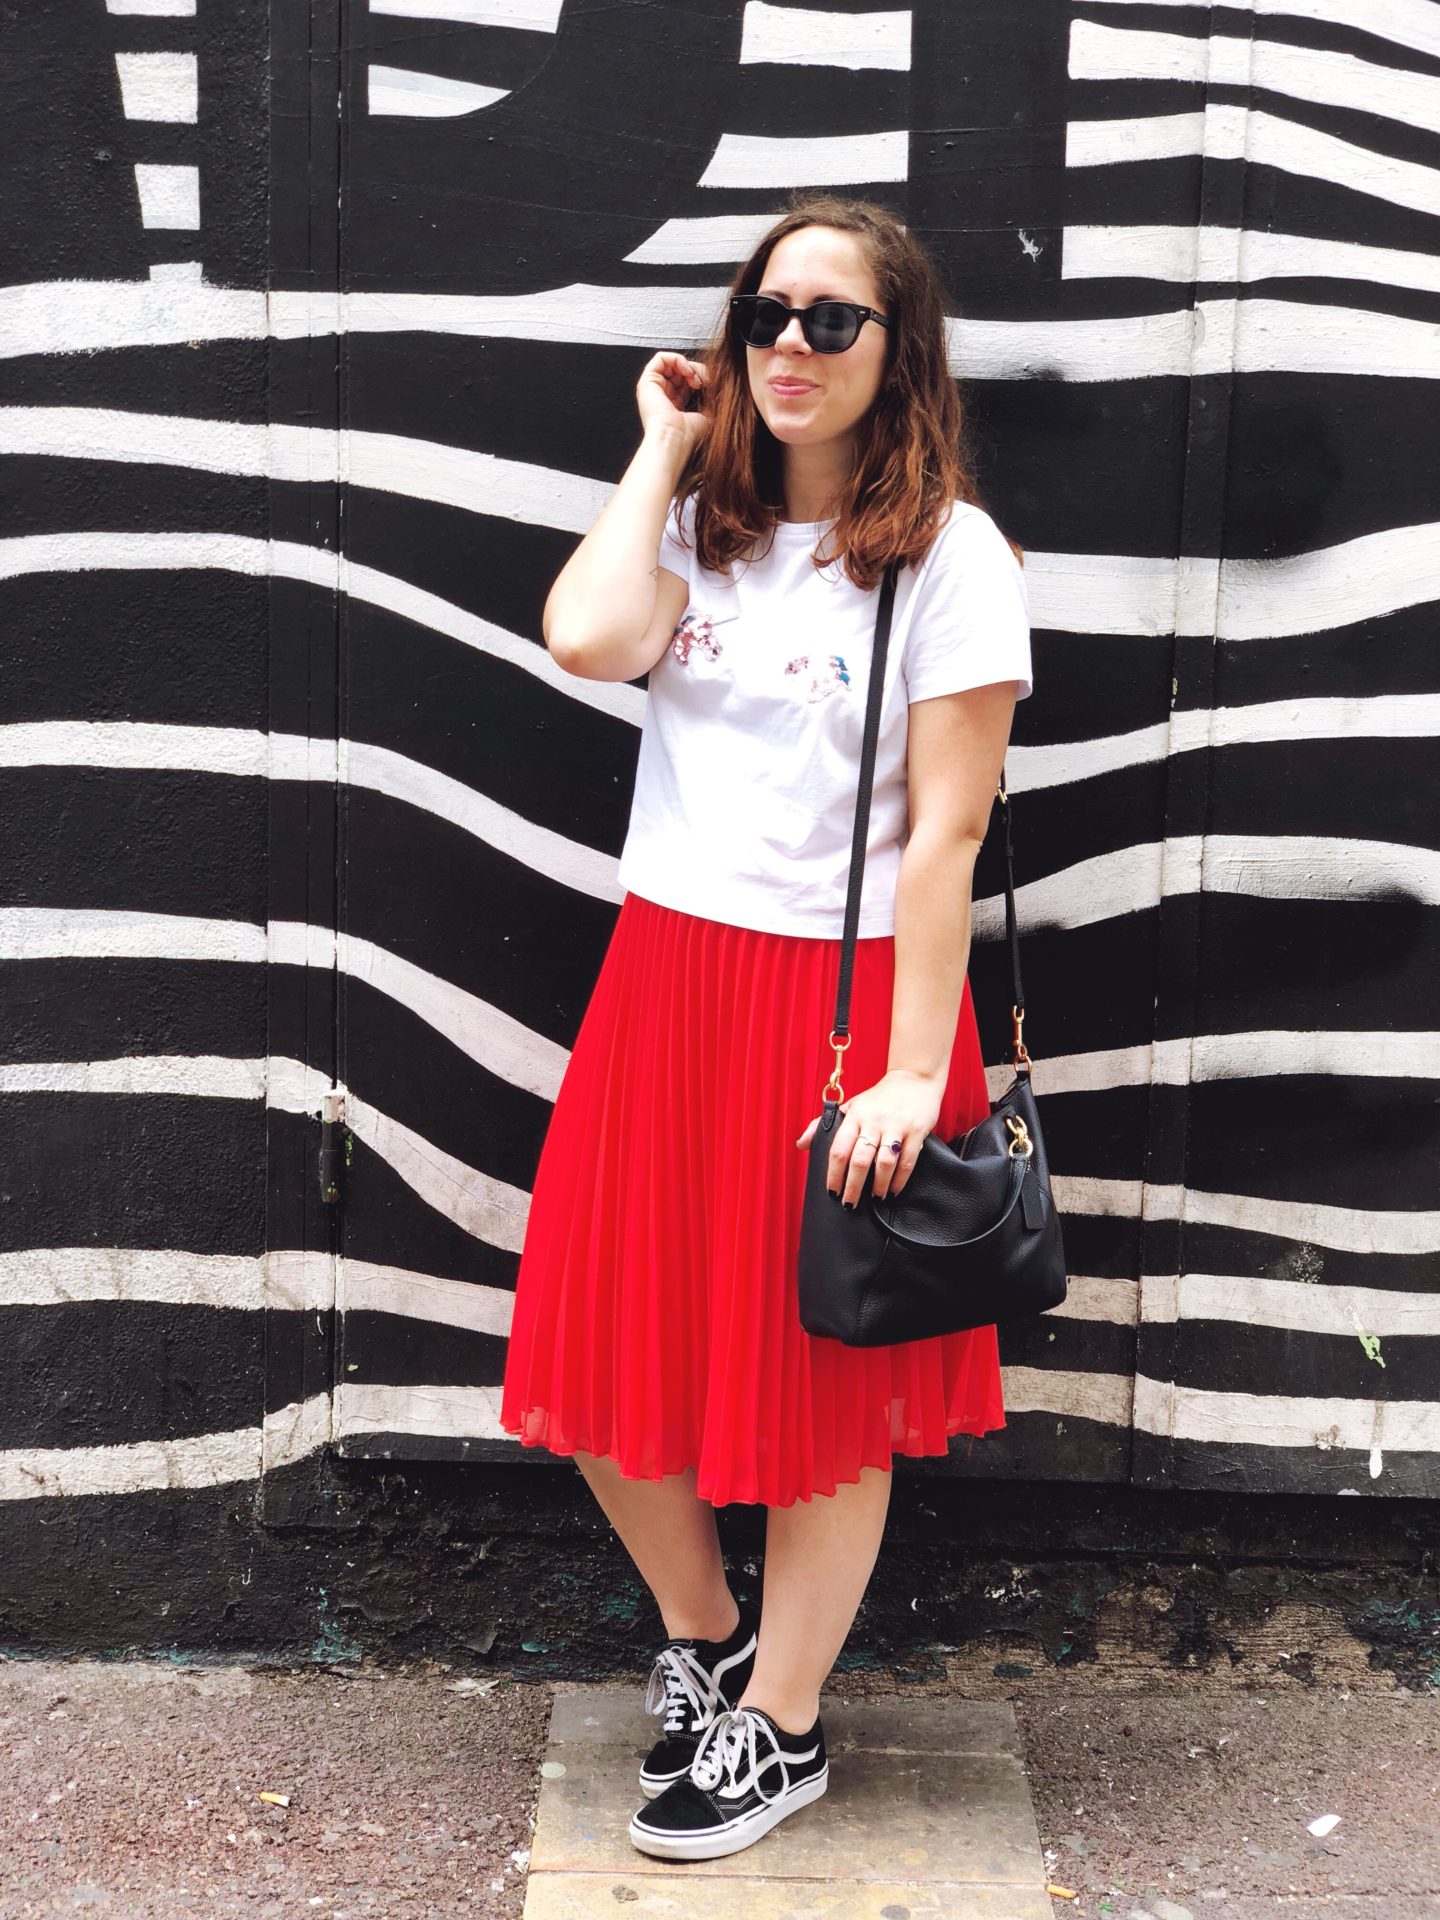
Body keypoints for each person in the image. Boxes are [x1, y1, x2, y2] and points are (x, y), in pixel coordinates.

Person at [498, 192, 1033, 1862]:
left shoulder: (949, 554)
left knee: (824, 1385)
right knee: (600, 1348)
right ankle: (709, 1640)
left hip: (840, 1006)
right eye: (765, 315)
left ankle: (782, 1729)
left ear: (897, 349)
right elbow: (585, 638)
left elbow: (948, 832)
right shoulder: (698, 525)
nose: (790, 346)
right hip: (666, 983)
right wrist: (665, 444)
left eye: (831, 320)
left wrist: (917, 1068)